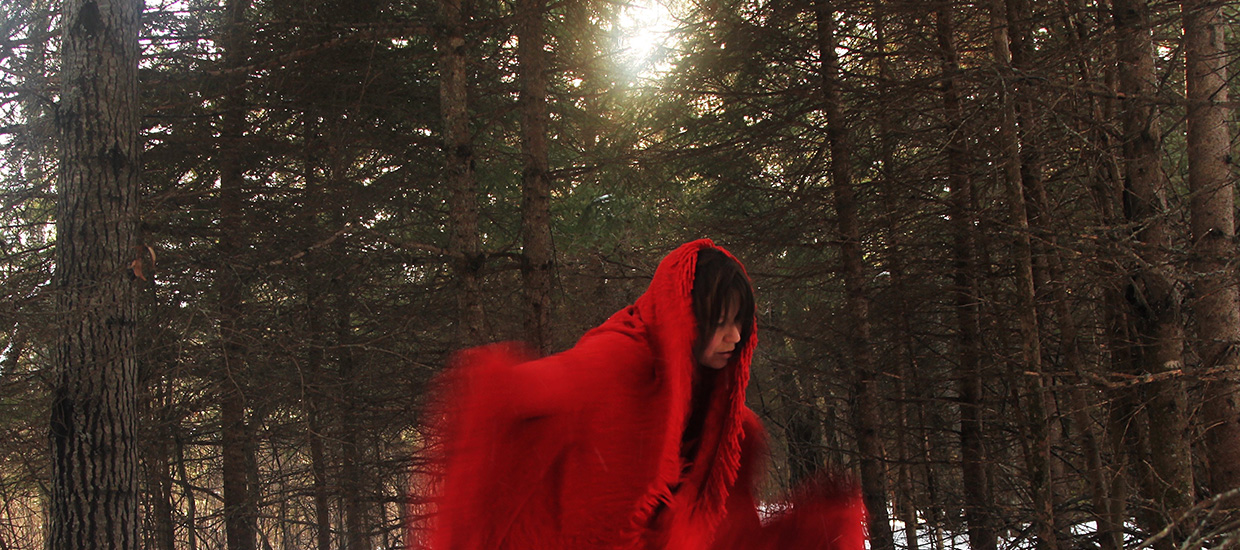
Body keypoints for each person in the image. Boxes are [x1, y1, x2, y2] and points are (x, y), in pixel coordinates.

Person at [413, 239, 865, 550]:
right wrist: (495, 386)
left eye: (739, 324)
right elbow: (533, 394)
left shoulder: (726, 430)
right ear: (687, 318)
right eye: (719, 322)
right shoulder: (622, 359)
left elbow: (725, 535)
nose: (733, 337)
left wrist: (812, 528)